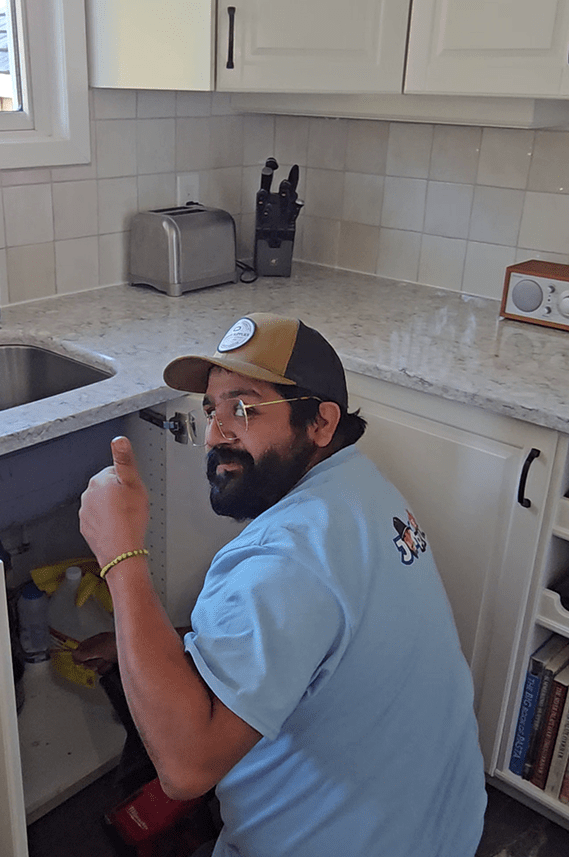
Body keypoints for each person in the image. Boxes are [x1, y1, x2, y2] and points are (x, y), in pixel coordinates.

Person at [77, 312, 487, 857]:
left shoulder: (283, 556)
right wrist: (164, 641)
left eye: (243, 408)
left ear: (320, 422)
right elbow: (302, 626)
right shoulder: (362, 489)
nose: (215, 436)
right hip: (445, 828)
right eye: (211, 412)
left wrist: (121, 554)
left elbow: (186, 768)